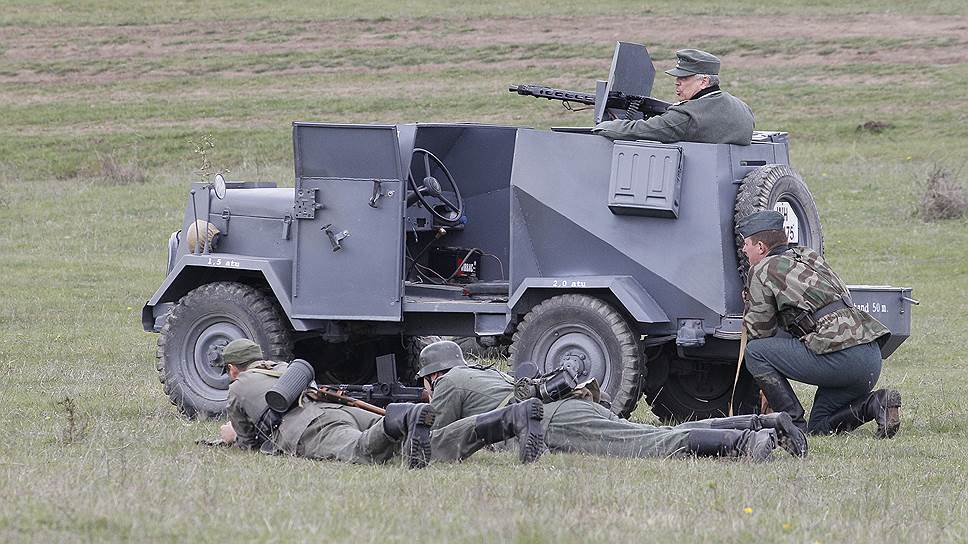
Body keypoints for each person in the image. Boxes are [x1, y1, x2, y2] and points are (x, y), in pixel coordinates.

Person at [416, 340, 807, 461]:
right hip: (567, 405)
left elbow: (433, 438)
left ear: (433, 375)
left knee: (649, 444)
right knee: (653, 433)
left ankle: (743, 443)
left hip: (555, 419)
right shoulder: (482, 373)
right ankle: (761, 425)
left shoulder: (449, 381)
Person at [214, 339, 546, 468]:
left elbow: (248, 442)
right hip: (343, 407)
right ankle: (504, 420)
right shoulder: (284, 370)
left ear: (232, 368)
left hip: (313, 426)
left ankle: (397, 421)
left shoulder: (239, 386)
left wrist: (230, 436)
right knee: (419, 445)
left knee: (361, 451)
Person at [737, 210, 901, 437]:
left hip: (840, 358)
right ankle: (876, 403)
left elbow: (760, 331)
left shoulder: (762, 270)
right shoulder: (809, 256)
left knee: (755, 352)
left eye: (746, 244)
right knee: (821, 426)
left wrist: (748, 303)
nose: (744, 250)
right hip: (870, 357)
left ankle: (792, 423)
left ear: (761, 247)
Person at [591, 48, 754, 145]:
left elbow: (641, 131)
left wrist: (605, 126)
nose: (677, 82)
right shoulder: (743, 108)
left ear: (704, 81)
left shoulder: (687, 115)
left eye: (684, 78)